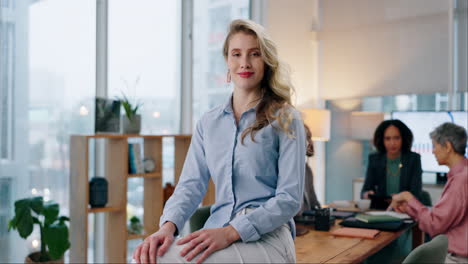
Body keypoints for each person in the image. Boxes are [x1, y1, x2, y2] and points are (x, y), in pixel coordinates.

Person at [133, 19, 305, 264]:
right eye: (236, 54)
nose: (244, 62)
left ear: (266, 61)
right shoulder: (208, 123)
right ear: (227, 61)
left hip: (269, 237)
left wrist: (231, 232)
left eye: (254, 54)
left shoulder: (286, 119)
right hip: (217, 231)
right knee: (145, 259)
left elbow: (289, 199)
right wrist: (167, 228)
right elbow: (189, 187)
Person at [389, 122, 468, 263]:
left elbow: (434, 225)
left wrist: (408, 197)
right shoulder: (463, 173)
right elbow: (442, 218)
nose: (433, 151)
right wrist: (409, 209)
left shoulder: (460, 181)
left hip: (457, 259)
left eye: (435, 146)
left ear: (448, 146)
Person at [361, 119, 423, 202]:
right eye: (387, 139)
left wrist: (401, 198)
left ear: (403, 138)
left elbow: (416, 193)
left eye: (396, 138)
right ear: (382, 140)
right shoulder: (374, 159)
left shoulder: (413, 159)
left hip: (404, 210)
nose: (392, 143)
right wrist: (367, 194)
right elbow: (364, 191)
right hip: (380, 209)